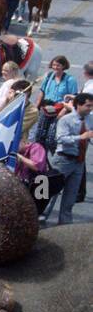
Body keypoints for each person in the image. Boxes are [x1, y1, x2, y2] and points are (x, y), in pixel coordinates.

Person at [42, 92, 92, 225]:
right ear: (78, 105)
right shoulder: (66, 120)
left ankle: (64, 226)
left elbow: (89, 136)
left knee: (70, 197)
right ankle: (41, 218)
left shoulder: (89, 120)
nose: (90, 109)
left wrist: (88, 138)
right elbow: (60, 138)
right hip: (63, 160)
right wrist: (80, 137)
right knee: (51, 192)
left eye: (91, 106)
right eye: (87, 106)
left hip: (79, 162)